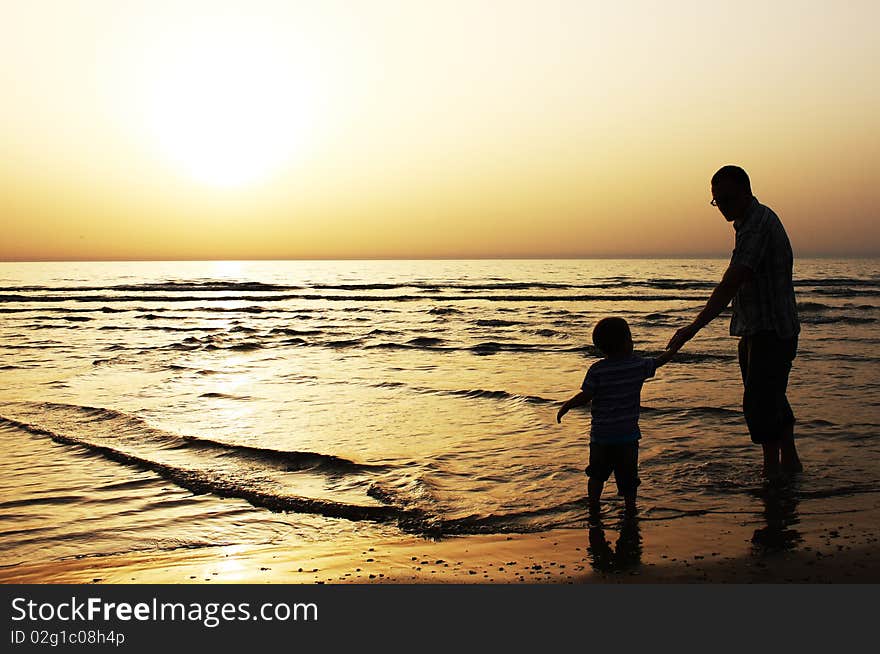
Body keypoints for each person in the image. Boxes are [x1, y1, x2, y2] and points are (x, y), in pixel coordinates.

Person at [666, 165, 802, 480]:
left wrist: (692, 328)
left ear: (745, 192)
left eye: (726, 199)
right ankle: (790, 464)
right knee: (772, 396)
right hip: (759, 327)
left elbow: (732, 282)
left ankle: (772, 473)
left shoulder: (756, 226)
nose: (722, 207)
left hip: (771, 329)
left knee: (760, 402)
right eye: (717, 201)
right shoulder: (748, 221)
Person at [557, 317, 674, 518]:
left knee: (596, 475)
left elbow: (586, 395)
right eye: (630, 338)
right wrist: (675, 345)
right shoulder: (637, 366)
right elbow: (661, 360)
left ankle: (593, 506)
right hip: (627, 437)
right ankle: (630, 509)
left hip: (601, 437)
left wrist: (567, 405)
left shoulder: (597, 369)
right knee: (628, 478)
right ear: (626, 342)